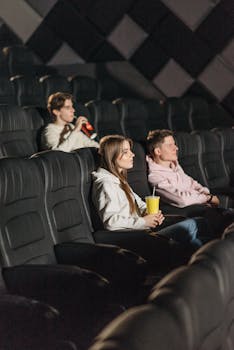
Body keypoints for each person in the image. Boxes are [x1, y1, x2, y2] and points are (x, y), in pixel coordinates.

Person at [92, 134, 204, 252]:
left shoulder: (119, 180)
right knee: (195, 224)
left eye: (130, 150)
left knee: (198, 237)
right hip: (137, 237)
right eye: (126, 152)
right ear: (112, 156)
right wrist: (144, 221)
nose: (132, 154)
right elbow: (111, 221)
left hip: (144, 231)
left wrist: (152, 214)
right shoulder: (106, 184)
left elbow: (138, 204)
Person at [146, 129, 234, 235]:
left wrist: (205, 193)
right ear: (158, 151)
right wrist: (207, 198)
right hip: (184, 211)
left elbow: (191, 183)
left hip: (200, 204)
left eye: (175, 144)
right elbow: (181, 199)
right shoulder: (155, 176)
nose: (176, 148)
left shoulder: (174, 164)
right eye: (170, 145)